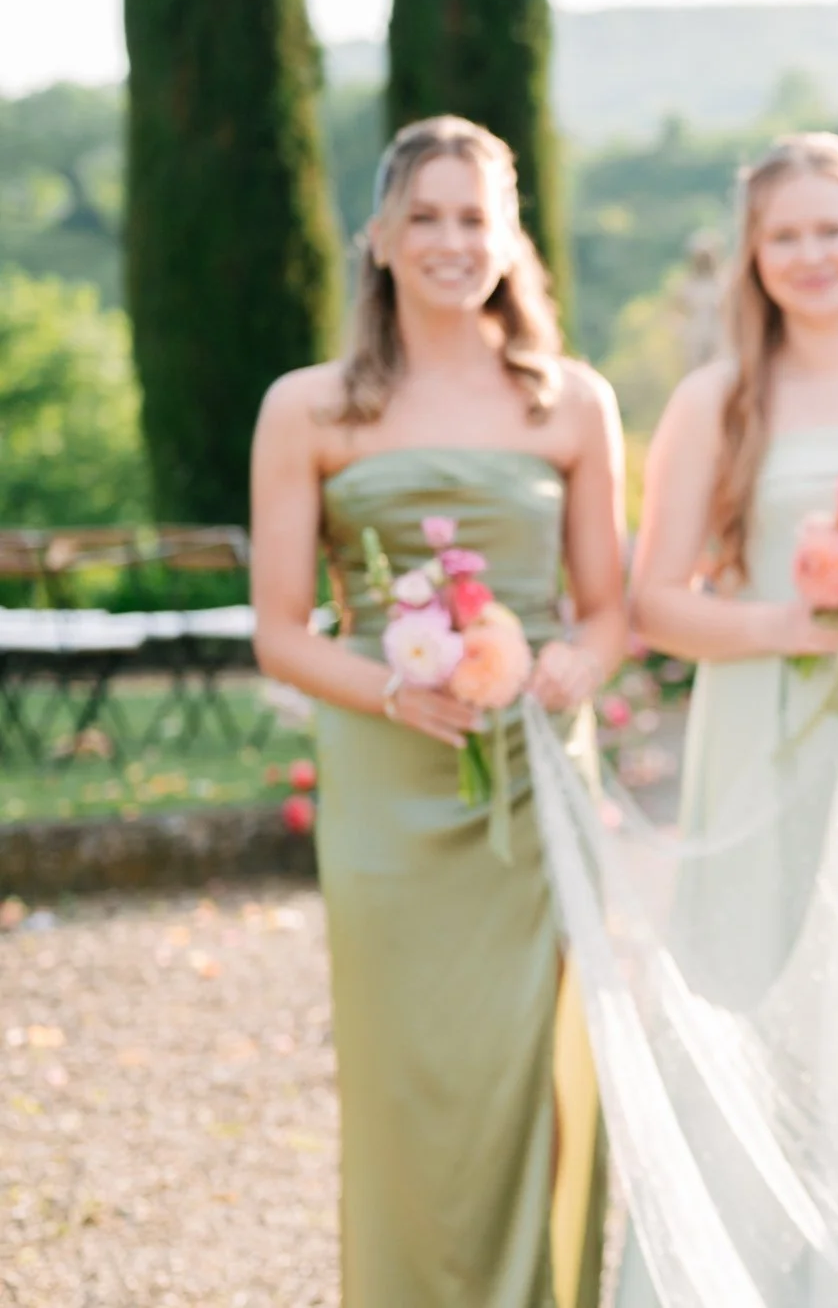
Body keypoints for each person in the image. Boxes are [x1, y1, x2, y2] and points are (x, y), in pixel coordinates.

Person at [249, 115, 620, 1307]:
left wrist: (572, 663)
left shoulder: (572, 401)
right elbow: (282, 628)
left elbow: (608, 610)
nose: (453, 240)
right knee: (405, 1075)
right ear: (380, 238)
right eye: (427, 215)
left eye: (477, 216)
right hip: (386, 787)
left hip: (534, 779)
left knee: (538, 1069)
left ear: (511, 237)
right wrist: (394, 690)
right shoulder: (308, 408)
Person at [613, 131, 838, 1301]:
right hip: (765, 730)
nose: (811, 254)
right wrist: (791, 623)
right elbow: (655, 600)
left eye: (833, 227)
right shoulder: (722, 397)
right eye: (784, 235)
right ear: (753, 257)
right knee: (759, 998)